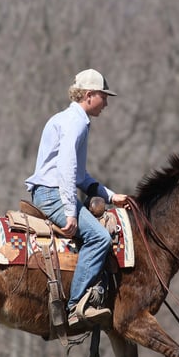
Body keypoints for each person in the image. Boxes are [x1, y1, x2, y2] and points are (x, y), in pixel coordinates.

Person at [25, 69, 129, 327]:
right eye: (104, 96)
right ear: (89, 95)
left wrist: (112, 196)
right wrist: (71, 211)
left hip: (49, 190)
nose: (106, 102)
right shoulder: (76, 122)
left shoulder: (68, 118)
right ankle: (75, 306)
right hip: (53, 194)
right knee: (99, 236)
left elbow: (80, 175)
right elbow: (67, 170)